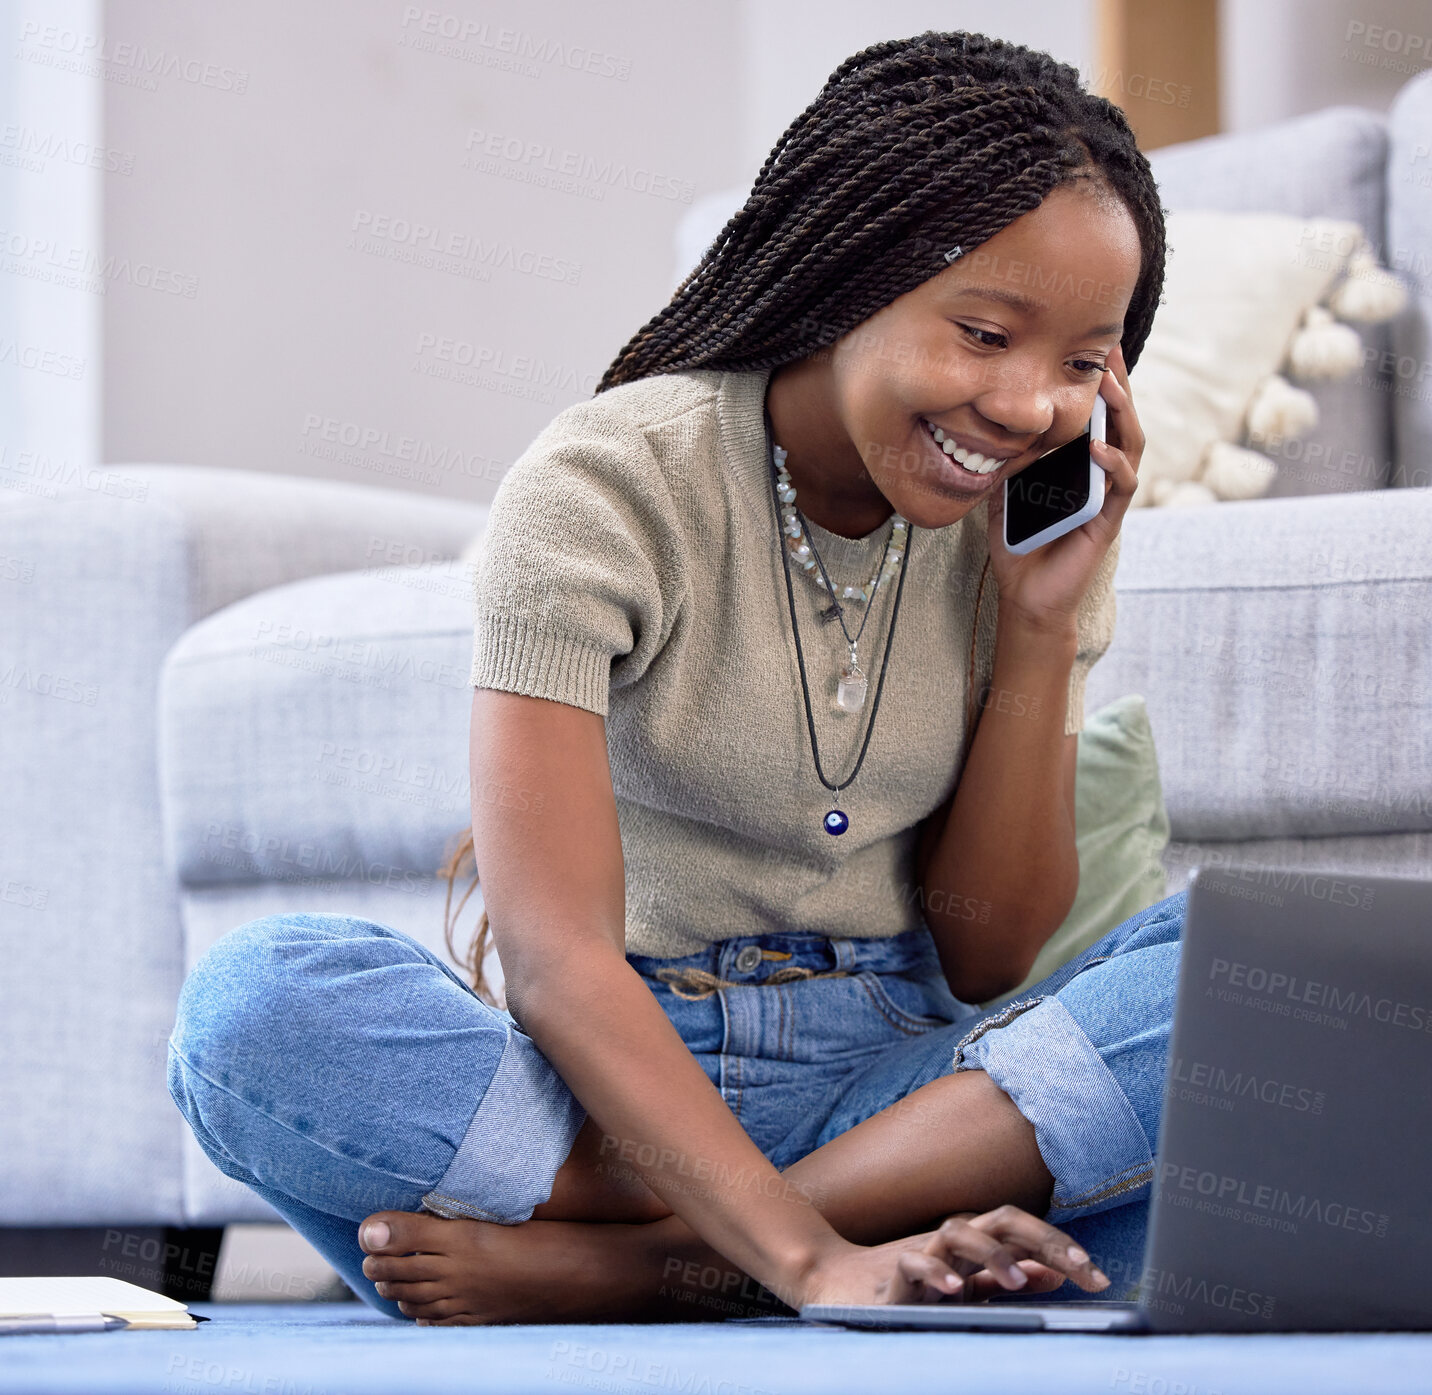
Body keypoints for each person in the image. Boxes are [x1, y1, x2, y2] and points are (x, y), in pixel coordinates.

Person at [169, 29, 1184, 1326]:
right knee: (255, 1015)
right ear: (843, 275)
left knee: (1268, 991)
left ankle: (648, 1273)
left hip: (907, 1077)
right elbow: (554, 961)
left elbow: (989, 956)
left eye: (1085, 362)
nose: (1032, 405)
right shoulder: (607, 486)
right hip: (603, 1100)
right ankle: (816, 1239)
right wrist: (818, 1262)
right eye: (986, 333)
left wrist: (1037, 629)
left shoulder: (1020, 528)